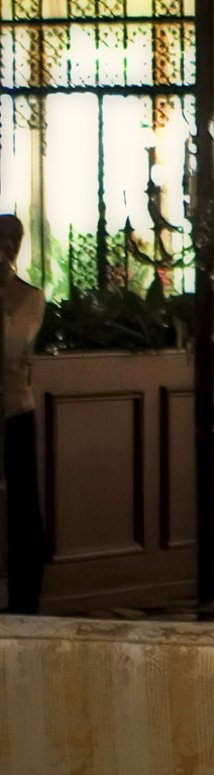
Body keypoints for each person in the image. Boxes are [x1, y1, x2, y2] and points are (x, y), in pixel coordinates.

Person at [1, 213, 45, 615]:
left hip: (15, 411)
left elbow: (13, 349)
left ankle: (24, 601)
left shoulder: (29, 298)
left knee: (22, 511)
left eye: (12, 240)